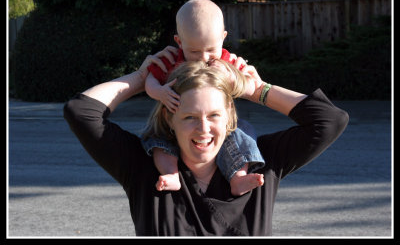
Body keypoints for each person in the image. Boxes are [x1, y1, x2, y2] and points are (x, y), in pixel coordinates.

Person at [64, 57, 349, 236]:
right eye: (189, 117)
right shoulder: (144, 166)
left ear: (228, 114)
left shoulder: (261, 162)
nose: (203, 129)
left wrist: (254, 89)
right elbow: (81, 111)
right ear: (169, 116)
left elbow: (329, 120)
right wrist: (144, 78)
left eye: (214, 115)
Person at [142, 0, 264, 196]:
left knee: (243, 134)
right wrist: (159, 92)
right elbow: (149, 80)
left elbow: (251, 85)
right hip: (173, 120)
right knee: (158, 141)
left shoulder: (228, 61)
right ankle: (170, 173)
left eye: (210, 50)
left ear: (223, 38)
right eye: (194, 51)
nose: (204, 58)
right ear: (179, 42)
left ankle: (238, 177)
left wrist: (233, 78)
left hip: (222, 124)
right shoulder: (171, 58)